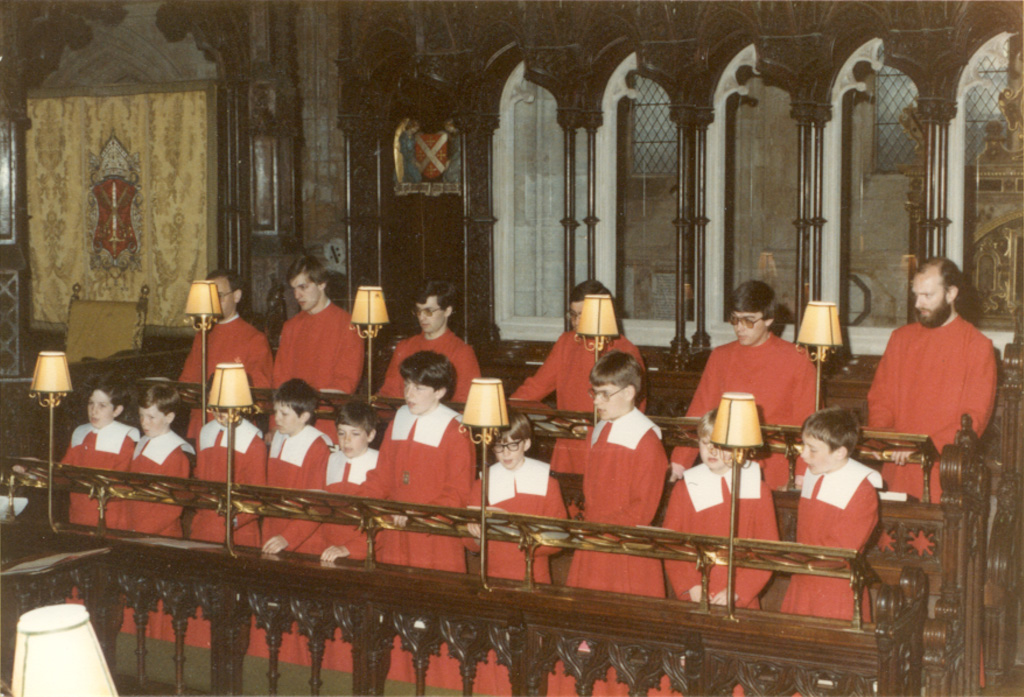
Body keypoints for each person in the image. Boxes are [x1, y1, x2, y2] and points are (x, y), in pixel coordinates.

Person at [867, 257, 997, 501]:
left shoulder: (977, 345)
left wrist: (922, 447)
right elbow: (880, 399)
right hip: (897, 465)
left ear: (951, 294)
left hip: (944, 471)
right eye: (916, 295)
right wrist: (887, 440)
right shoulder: (901, 339)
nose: (919, 304)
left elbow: (974, 417)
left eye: (927, 296)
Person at [669, 281, 816, 490]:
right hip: (723, 465)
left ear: (769, 319)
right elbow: (699, 411)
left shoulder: (797, 359)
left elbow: (806, 422)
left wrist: (802, 476)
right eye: (734, 319)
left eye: (748, 320)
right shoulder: (721, 356)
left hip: (776, 469)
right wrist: (678, 463)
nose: (739, 328)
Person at [510, 280, 645, 475]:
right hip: (569, 449)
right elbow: (534, 389)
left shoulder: (626, 351)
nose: (575, 322)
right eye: (573, 315)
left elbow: (635, 412)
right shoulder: (567, 343)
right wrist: (503, 408)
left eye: (582, 315)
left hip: (609, 451)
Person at [359, 351, 475, 572]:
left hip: (433, 533)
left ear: (440, 391)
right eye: (407, 385)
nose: (409, 394)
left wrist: (418, 514)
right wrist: (365, 500)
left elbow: (458, 492)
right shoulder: (399, 419)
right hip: (395, 527)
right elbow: (381, 474)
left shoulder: (456, 429)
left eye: (419, 388)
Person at [566, 351, 667, 598]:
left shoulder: (647, 441)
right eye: (594, 393)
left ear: (629, 392)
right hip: (593, 539)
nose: (596, 402)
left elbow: (643, 509)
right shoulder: (598, 430)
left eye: (604, 394)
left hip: (623, 546)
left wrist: (599, 531)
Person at [662, 409, 778, 608]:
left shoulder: (759, 490)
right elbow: (671, 542)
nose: (712, 451)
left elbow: (767, 552)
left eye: (720, 445)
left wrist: (737, 591)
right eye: (705, 443)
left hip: (739, 598)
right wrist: (691, 585)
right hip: (695, 595)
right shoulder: (685, 487)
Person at [781, 407, 881, 621]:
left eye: (812, 449)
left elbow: (841, 550)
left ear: (840, 452)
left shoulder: (860, 489)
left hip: (835, 589)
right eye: (803, 445)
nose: (803, 454)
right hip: (803, 581)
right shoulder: (814, 473)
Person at [465, 410, 566, 584]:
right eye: (499, 446)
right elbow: (468, 542)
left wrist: (524, 543)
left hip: (534, 573)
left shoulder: (547, 482)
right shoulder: (483, 483)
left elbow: (559, 539)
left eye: (512, 445)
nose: (505, 453)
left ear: (526, 444)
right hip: (494, 574)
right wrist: (476, 536)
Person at [272, 255, 365, 440]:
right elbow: (280, 380)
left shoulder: (348, 325)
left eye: (303, 287)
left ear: (322, 284)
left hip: (326, 424)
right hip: (289, 425)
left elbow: (345, 384)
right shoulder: (291, 326)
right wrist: (275, 423)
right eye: (294, 289)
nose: (297, 295)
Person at [178, 269, 273, 439]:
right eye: (210, 297)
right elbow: (186, 382)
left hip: (235, 427)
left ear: (236, 296)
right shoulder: (202, 335)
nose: (214, 302)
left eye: (219, 295)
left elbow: (260, 391)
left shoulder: (254, 338)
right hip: (200, 423)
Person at [261, 379, 333, 556]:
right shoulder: (279, 435)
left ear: (304, 416)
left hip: (303, 540)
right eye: (275, 411)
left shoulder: (317, 446)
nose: (276, 418)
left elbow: (317, 504)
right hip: (273, 533)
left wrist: (288, 537)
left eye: (284, 414)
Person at [378, 280, 481, 403]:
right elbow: (389, 393)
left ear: (447, 311)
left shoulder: (462, 351)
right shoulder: (404, 347)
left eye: (429, 311)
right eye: (418, 310)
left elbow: (465, 403)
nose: (421, 317)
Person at [61, 375, 139, 528]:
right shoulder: (80, 433)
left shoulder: (125, 440)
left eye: (102, 405)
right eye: (91, 403)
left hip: (111, 517)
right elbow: (63, 472)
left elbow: (123, 485)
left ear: (117, 410)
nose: (94, 411)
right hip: (79, 512)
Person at [122, 384, 193, 536]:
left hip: (159, 533)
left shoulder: (175, 455)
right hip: (133, 526)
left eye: (151, 417)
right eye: (141, 415)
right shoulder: (143, 441)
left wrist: (140, 532)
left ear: (169, 417)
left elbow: (171, 508)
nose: (144, 422)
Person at [190, 409, 267, 548]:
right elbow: (201, 477)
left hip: (237, 531)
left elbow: (257, 495)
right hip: (203, 525)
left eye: (225, 407)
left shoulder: (254, 443)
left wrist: (235, 520)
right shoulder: (206, 431)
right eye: (215, 406)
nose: (219, 412)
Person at [319, 401, 380, 564]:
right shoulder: (332, 459)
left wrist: (350, 548)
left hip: (362, 552)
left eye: (355, 434)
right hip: (328, 549)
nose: (346, 440)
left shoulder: (380, 463)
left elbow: (382, 520)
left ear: (371, 435)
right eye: (341, 433)